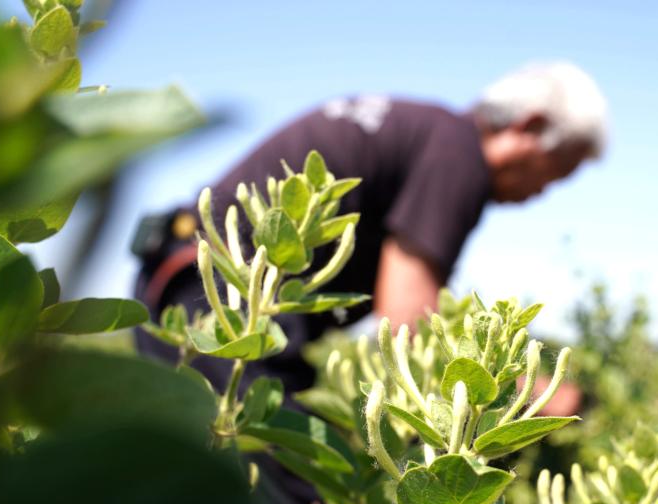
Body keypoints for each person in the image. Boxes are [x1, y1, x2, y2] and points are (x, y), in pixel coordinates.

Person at [134, 62, 608, 401]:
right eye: (557, 171)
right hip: (224, 305)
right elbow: (405, 318)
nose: (544, 191)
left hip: (184, 278)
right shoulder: (459, 156)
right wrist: (519, 394)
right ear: (530, 127)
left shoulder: (431, 132)